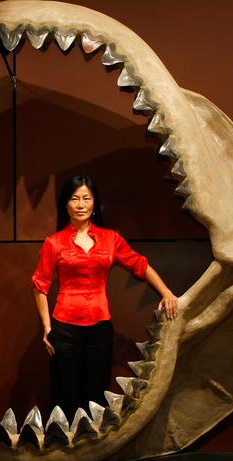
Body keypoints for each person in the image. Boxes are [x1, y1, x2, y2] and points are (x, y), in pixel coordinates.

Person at [31, 176, 178, 420]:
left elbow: (139, 265)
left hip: (100, 327)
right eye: (74, 198)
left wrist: (166, 292)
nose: (80, 204)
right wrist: (47, 327)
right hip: (65, 327)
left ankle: (93, 454)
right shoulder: (53, 243)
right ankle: (65, 454)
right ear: (65, 205)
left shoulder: (111, 239)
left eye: (86, 198)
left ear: (94, 204)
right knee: (66, 395)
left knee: (96, 396)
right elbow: (39, 285)